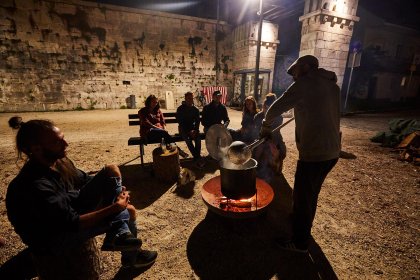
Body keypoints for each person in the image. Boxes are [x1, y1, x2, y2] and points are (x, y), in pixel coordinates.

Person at [6, 117, 157, 269]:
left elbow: (85, 180)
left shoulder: (59, 162)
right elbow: (72, 224)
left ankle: (120, 235)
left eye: (63, 138)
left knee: (111, 170)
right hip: (54, 238)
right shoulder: (35, 185)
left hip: (70, 210)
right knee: (127, 211)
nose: (66, 144)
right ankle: (130, 255)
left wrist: (115, 189)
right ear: (37, 149)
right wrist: (115, 207)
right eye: (57, 142)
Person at [260, 55, 341, 253]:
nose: (293, 77)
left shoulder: (305, 84)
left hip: (314, 153)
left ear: (305, 68)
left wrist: (265, 126)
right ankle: (300, 221)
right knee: (309, 194)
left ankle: (300, 242)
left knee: (304, 197)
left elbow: (276, 108)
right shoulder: (332, 87)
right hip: (332, 151)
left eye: (294, 72)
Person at [253, 93, 286, 180]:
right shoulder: (257, 116)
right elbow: (256, 132)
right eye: (265, 106)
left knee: (281, 151)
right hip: (261, 138)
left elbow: (275, 133)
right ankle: (256, 166)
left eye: (270, 106)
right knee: (256, 150)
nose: (267, 109)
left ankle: (277, 166)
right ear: (263, 105)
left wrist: (271, 142)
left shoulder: (279, 117)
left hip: (274, 138)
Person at [176, 92, 205, 168]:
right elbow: (181, 122)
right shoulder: (180, 109)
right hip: (183, 129)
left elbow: (197, 121)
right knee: (188, 140)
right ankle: (197, 158)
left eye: (192, 98)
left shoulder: (195, 109)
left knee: (198, 139)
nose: (191, 100)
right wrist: (189, 131)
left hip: (193, 129)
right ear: (185, 99)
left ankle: (196, 158)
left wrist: (195, 130)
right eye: (189, 98)